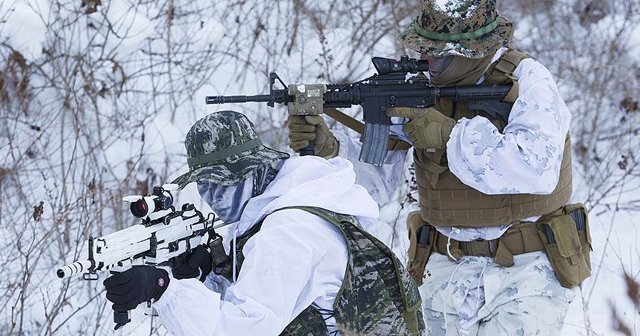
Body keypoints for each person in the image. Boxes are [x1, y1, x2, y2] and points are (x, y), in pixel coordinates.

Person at [287, 0, 592, 335]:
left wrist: (451, 135)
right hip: (441, 269)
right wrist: (331, 151)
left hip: (523, 271)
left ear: (474, 51)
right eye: (424, 51)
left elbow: (537, 169)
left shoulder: (526, 81)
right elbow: (374, 187)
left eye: (439, 54)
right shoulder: (418, 88)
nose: (427, 61)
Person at [103, 111, 424, 336]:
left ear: (252, 170)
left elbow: (237, 329)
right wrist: (213, 272)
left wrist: (166, 290)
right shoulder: (301, 199)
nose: (212, 196)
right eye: (205, 185)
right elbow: (280, 295)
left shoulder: (289, 231)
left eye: (221, 183)